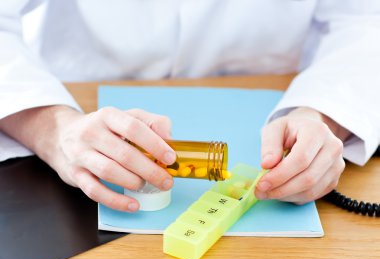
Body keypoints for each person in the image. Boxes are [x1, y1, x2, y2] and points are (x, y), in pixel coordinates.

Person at [0, 1, 379, 212]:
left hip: (279, 87)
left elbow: (366, 20)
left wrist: (323, 114)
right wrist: (52, 129)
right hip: (71, 101)